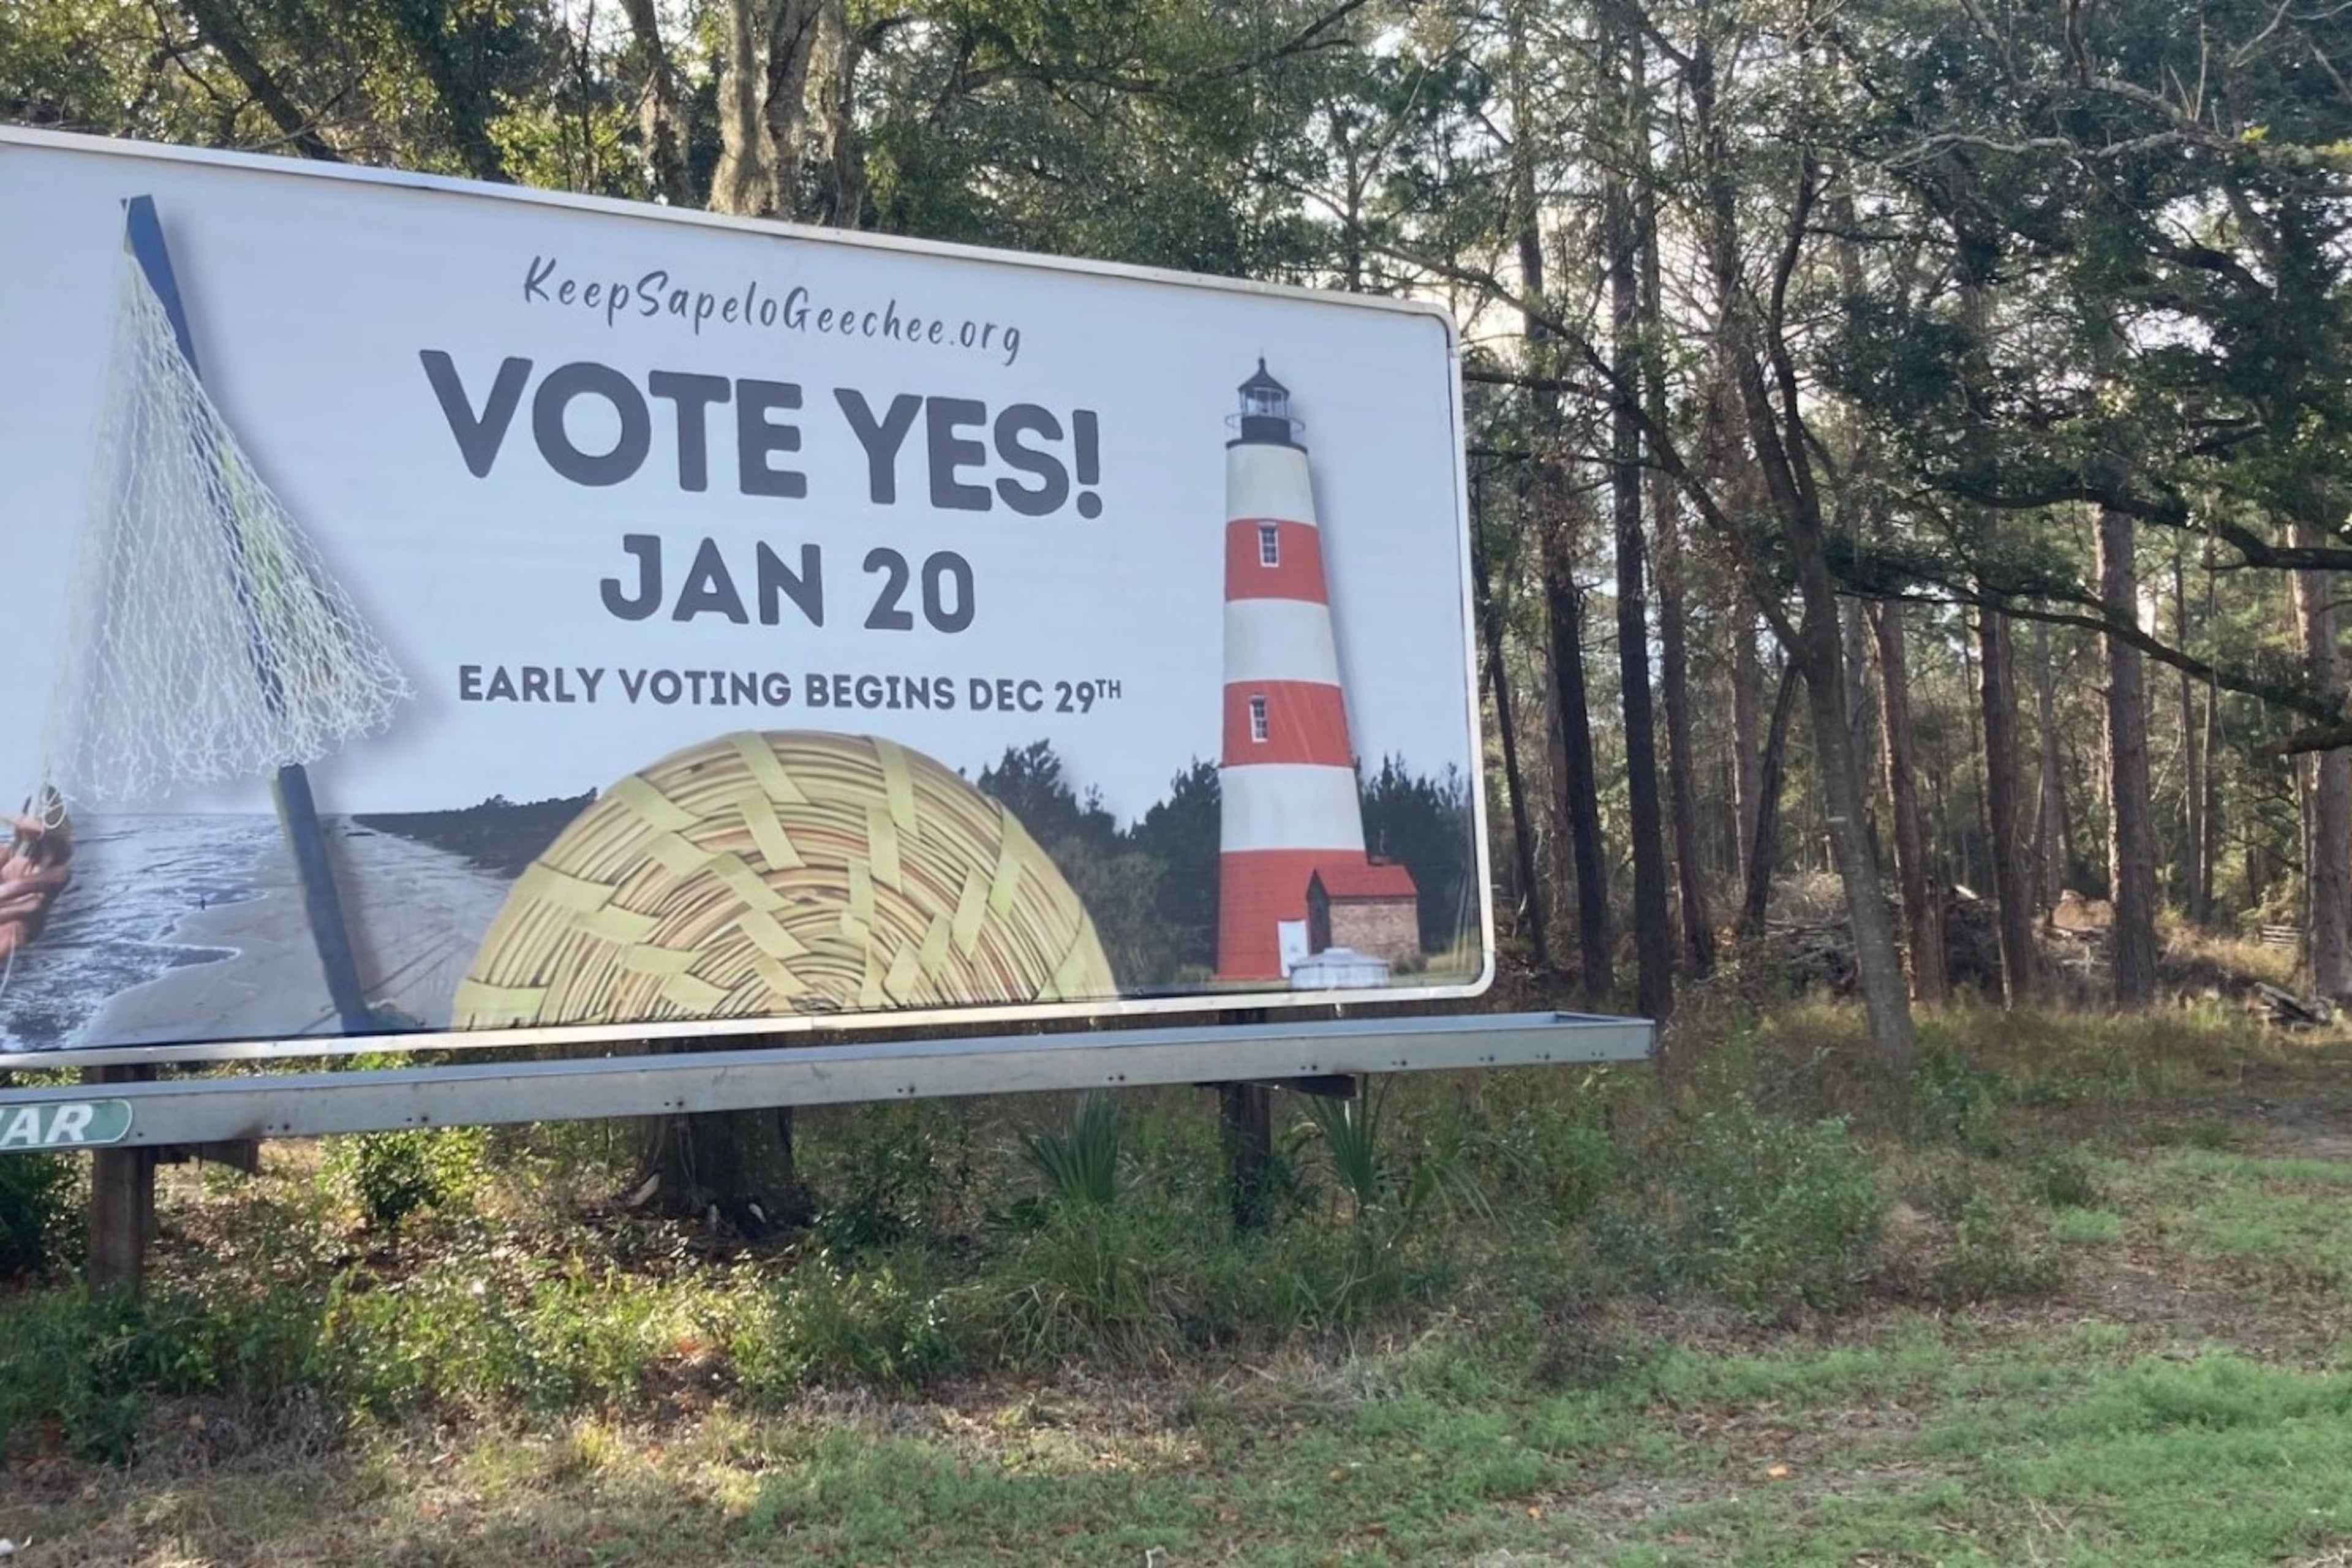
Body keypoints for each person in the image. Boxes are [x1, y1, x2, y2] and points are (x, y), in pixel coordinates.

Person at [0, 811, 72, 960]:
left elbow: (32, 903)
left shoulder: (59, 872)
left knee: (11, 932)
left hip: (22, 925)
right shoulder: (6, 854)